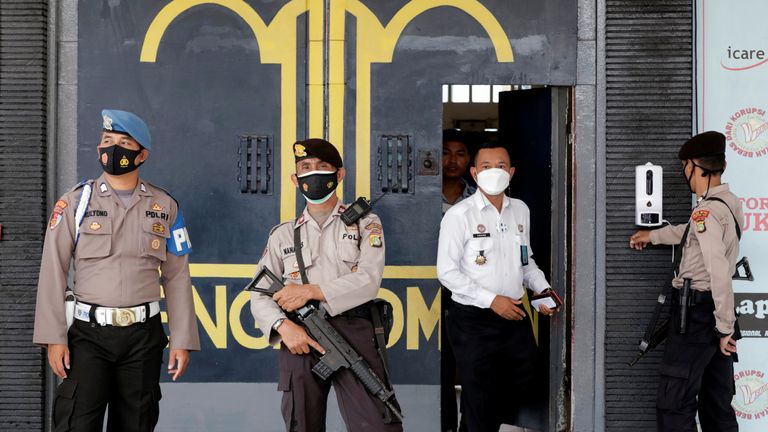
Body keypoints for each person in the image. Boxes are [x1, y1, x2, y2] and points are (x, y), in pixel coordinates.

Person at [33, 109, 200, 431]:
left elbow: (177, 276)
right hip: (87, 335)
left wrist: (181, 339)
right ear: (98, 149)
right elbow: (53, 269)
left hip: (143, 335)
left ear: (142, 155)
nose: (113, 149)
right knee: (77, 422)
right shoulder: (75, 203)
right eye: (107, 141)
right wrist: (54, 338)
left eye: (124, 143)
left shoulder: (165, 206)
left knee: (137, 422)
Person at [250, 138, 402, 432]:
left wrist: (309, 291)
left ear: (339, 174)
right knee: (302, 423)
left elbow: (368, 281)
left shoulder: (365, 224)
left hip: (353, 332)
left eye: (322, 166)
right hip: (300, 336)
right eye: (305, 167)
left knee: (376, 423)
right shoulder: (282, 234)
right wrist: (283, 327)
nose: (313, 173)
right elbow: (259, 293)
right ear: (295, 179)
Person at [437, 142, 557, 432]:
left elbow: (525, 262)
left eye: (501, 166)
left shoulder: (521, 210)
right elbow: (447, 271)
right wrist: (491, 300)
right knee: (480, 397)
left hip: (514, 315)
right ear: (475, 173)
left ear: (512, 172)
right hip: (474, 319)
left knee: (524, 378)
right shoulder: (460, 215)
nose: (495, 172)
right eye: (487, 167)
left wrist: (542, 290)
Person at [629, 131, 742, 432]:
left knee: (674, 403)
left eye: (684, 167)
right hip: (714, 318)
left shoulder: (706, 210)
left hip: (696, 317)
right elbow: (689, 232)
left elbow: (718, 270)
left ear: (694, 166)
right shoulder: (728, 205)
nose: (684, 174)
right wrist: (653, 236)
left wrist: (724, 327)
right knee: (716, 403)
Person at [440, 129, 475, 432]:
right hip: (430, 290)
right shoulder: (422, 195)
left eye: (460, 153)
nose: (452, 160)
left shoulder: (479, 199)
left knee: (469, 365)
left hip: (471, 293)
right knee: (439, 365)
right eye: (445, 151)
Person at [442, 129, 476, 214]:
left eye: (460, 154)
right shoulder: (425, 194)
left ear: (467, 159)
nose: (452, 160)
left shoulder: (477, 197)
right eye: (445, 153)